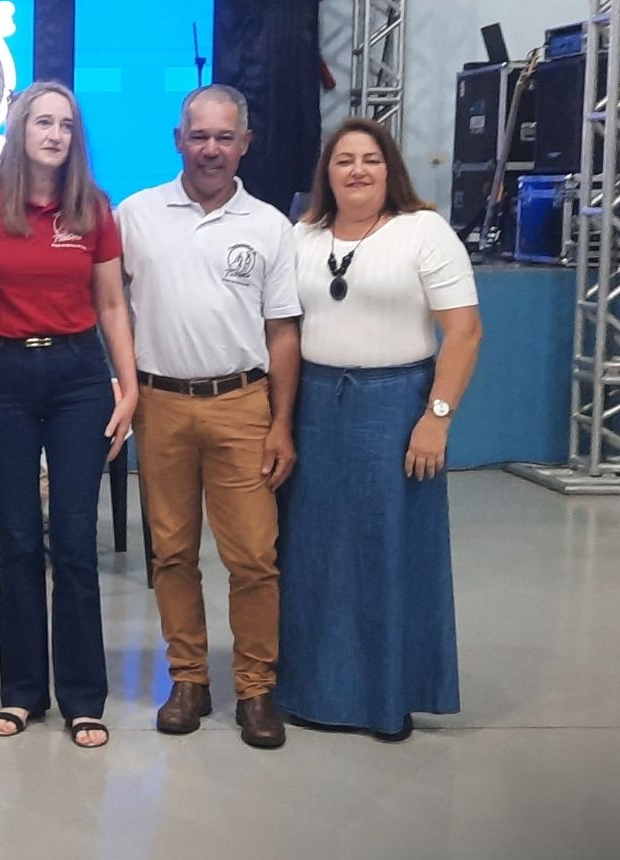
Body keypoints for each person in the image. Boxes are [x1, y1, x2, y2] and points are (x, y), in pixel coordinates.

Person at [274, 118, 482, 741]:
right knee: (309, 553)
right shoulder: (301, 236)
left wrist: (436, 419)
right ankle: (308, 690)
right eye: (344, 160)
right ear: (326, 173)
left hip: (395, 408)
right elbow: (281, 328)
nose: (357, 170)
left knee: (387, 552)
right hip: (314, 404)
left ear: (389, 169)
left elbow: (464, 332)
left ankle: (386, 697)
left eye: (370, 159)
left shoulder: (425, 232)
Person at [0, 83, 139, 749]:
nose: (54, 133)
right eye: (42, 121)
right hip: (0, 374)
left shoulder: (95, 210)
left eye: (65, 123)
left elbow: (112, 305)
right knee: (22, 538)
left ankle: (84, 696)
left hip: (79, 378)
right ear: (19, 128)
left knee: (75, 539)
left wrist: (129, 383)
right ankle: (22, 691)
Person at [117, 84, 300, 750]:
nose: (212, 149)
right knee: (171, 552)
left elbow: (283, 332)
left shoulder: (270, 225)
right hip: (160, 404)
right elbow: (110, 309)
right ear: (178, 140)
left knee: (253, 556)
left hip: (242, 406)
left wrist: (280, 424)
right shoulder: (135, 215)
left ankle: (255, 688)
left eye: (225, 137)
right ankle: (188, 679)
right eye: (200, 136)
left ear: (244, 144)